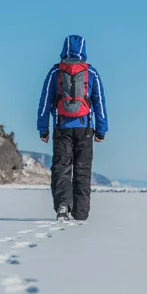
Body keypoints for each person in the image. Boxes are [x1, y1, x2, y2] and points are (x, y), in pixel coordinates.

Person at [37, 35, 108, 221]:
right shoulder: (91, 73)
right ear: (84, 51)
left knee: (61, 167)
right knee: (82, 170)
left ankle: (63, 205)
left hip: (62, 127)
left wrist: (43, 129)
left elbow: (45, 102)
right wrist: (101, 130)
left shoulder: (55, 73)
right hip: (85, 129)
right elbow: (100, 103)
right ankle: (81, 212)